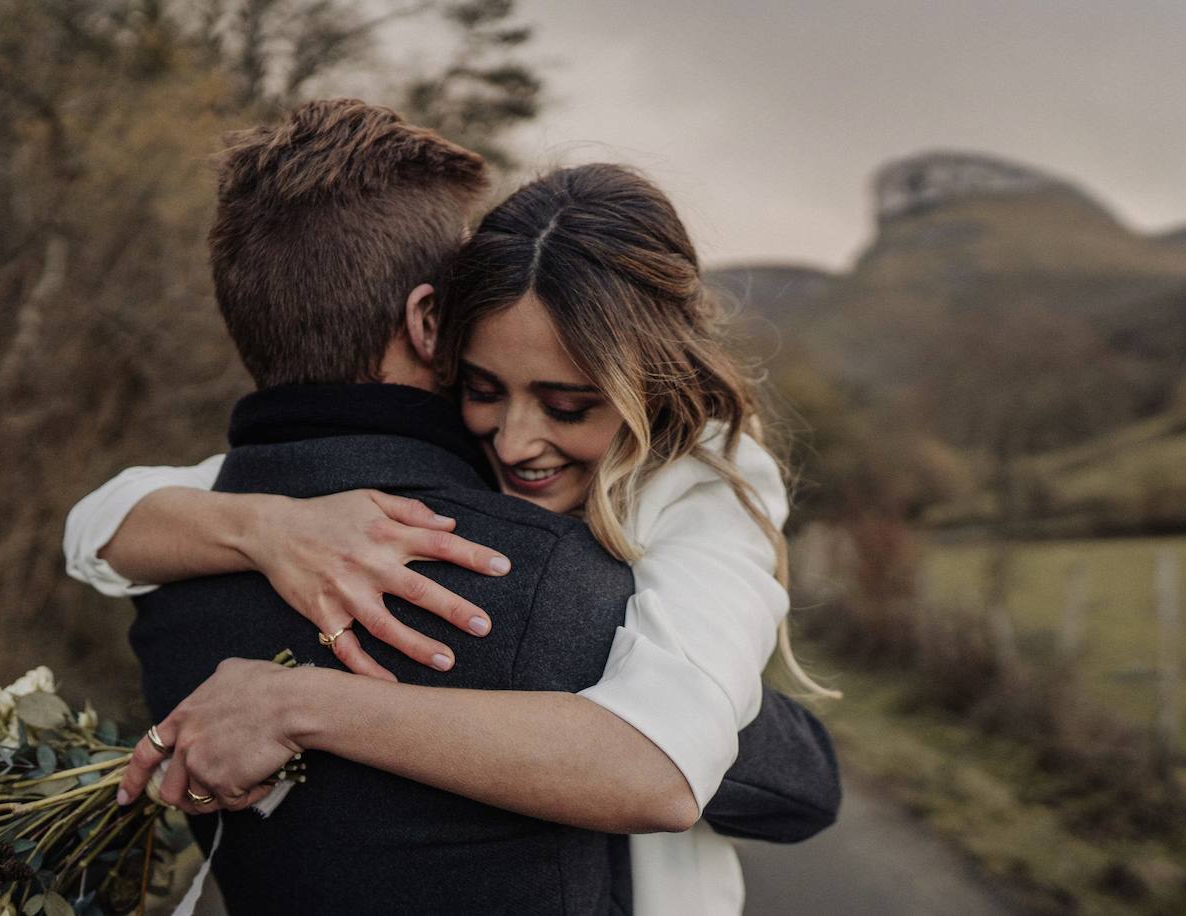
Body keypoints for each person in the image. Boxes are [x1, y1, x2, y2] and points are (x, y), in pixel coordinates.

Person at [68, 101, 839, 914]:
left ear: (646, 382)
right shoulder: (362, 504)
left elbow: (667, 769)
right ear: (438, 335)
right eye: (483, 389)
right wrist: (267, 528)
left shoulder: (701, 486)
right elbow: (97, 522)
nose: (515, 441)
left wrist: (299, 702)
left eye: (567, 406)